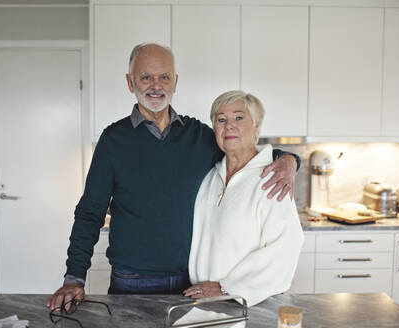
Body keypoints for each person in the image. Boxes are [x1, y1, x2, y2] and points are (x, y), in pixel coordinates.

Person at [47, 43, 300, 310]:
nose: (156, 86)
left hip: (190, 282)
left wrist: (289, 159)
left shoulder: (199, 136)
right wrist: (74, 276)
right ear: (130, 83)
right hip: (131, 281)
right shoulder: (113, 140)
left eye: (164, 77)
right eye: (146, 77)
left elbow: (241, 147)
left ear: (175, 82)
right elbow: (89, 213)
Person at [184, 91, 304, 307]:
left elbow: (285, 248)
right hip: (205, 302)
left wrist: (226, 288)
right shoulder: (210, 177)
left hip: (250, 304)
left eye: (239, 117)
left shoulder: (273, 177)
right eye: (221, 119)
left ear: (257, 126)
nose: (229, 125)